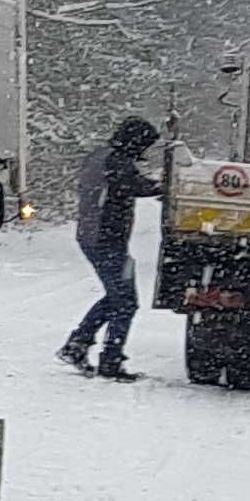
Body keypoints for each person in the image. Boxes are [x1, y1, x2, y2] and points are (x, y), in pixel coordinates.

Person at [59, 115, 163, 378]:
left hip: (94, 238)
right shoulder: (117, 161)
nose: (145, 152)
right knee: (126, 302)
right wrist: (164, 185)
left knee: (116, 297)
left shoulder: (102, 156)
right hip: (106, 240)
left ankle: (78, 345)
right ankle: (110, 360)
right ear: (135, 141)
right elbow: (133, 185)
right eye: (144, 145)